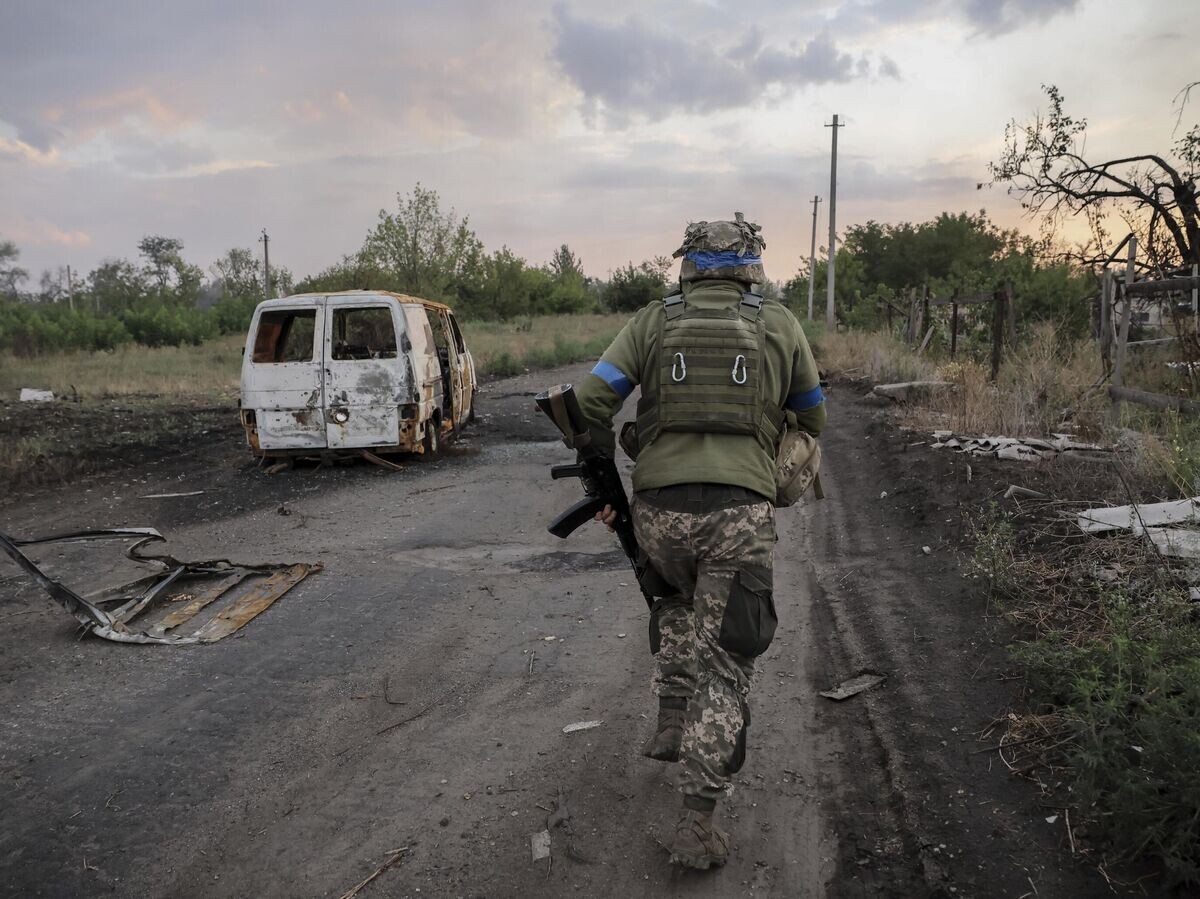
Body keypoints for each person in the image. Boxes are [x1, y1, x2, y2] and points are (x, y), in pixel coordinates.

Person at [573, 214, 826, 870]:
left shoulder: (653, 321)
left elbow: (589, 400)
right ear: (752, 263)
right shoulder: (779, 323)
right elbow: (815, 415)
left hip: (660, 513)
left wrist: (604, 471)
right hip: (738, 517)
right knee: (730, 662)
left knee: (676, 596)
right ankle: (696, 825)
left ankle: (671, 718)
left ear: (688, 262)